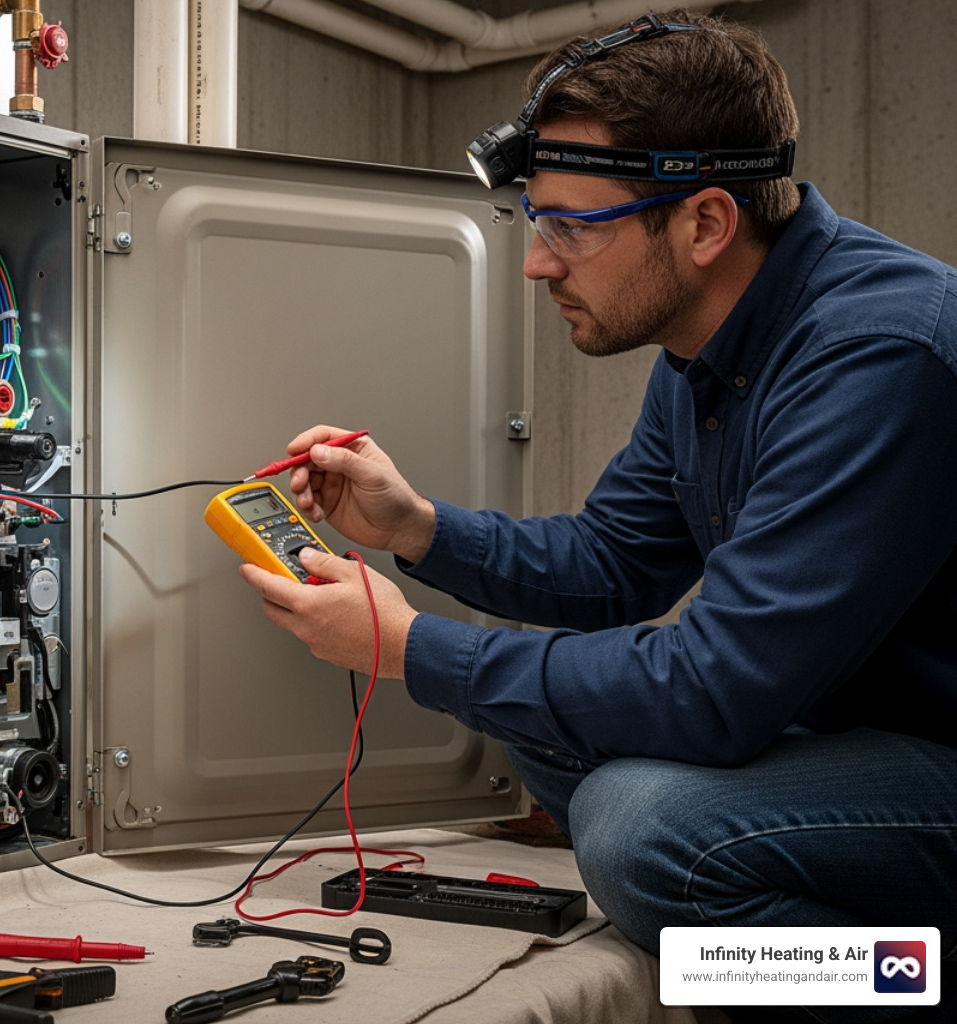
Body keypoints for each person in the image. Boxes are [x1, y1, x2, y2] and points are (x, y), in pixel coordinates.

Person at [237, 10, 956, 1021]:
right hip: (837, 720)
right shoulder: (708, 336)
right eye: (538, 221)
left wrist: (413, 651)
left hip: (934, 756)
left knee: (638, 825)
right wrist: (418, 527)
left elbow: (715, 687)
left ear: (704, 224)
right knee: (550, 734)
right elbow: (615, 562)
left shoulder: (882, 352)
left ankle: (913, 976)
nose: (538, 263)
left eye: (572, 226)